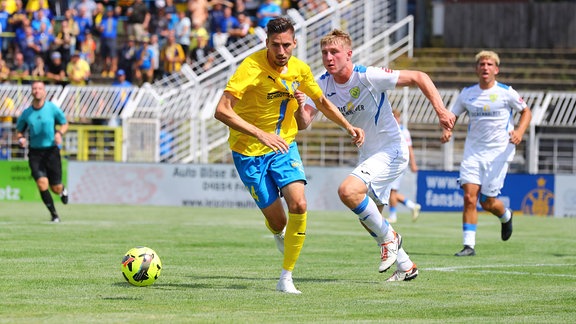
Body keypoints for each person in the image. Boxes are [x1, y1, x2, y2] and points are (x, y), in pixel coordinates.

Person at [213, 18, 365, 294]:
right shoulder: (250, 68)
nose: (281, 51)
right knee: (279, 222)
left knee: (299, 205)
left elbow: (321, 102)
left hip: (283, 146)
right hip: (247, 152)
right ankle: (278, 232)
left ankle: (286, 277)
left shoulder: (299, 69)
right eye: (275, 45)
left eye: (286, 45)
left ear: (295, 43)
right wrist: (260, 134)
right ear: (266, 44)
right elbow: (222, 110)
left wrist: (348, 126)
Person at [296, 29, 454, 282]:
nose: (329, 57)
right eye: (324, 52)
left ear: (349, 54)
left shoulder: (368, 76)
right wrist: (298, 103)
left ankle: (391, 239)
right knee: (369, 219)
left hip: (391, 149)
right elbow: (303, 123)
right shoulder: (321, 83)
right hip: (369, 155)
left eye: (334, 52)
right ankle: (406, 266)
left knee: (348, 191)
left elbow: (419, 76)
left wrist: (441, 111)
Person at [441, 50, 532, 257]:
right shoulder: (467, 93)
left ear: (496, 69)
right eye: (482, 64)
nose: (485, 67)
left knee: (487, 201)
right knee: (469, 197)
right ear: (476, 69)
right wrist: (447, 129)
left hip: (499, 153)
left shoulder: (506, 92)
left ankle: (505, 215)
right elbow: (451, 115)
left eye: (489, 64)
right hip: (473, 153)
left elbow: (526, 112)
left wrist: (519, 131)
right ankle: (468, 246)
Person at [15, 80, 69, 222]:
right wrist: (21, 139)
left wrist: (59, 134)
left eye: (39, 88)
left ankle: (62, 189)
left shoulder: (52, 108)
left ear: (44, 92)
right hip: (35, 153)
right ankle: (54, 215)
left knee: (55, 188)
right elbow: (19, 131)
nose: (37, 90)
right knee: (41, 183)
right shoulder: (27, 113)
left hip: (51, 151)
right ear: (32, 92)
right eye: (34, 88)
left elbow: (64, 123)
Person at [386, 108, 421, 224]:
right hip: (389, 163)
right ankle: (412, 206)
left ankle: (393, 216)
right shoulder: (389, 129)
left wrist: (413, 163)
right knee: (390, 191)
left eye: (396, 117)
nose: (395, 119)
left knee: (391, 191)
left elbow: (409, 148)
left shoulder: (403, 131)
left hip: (398, 163)